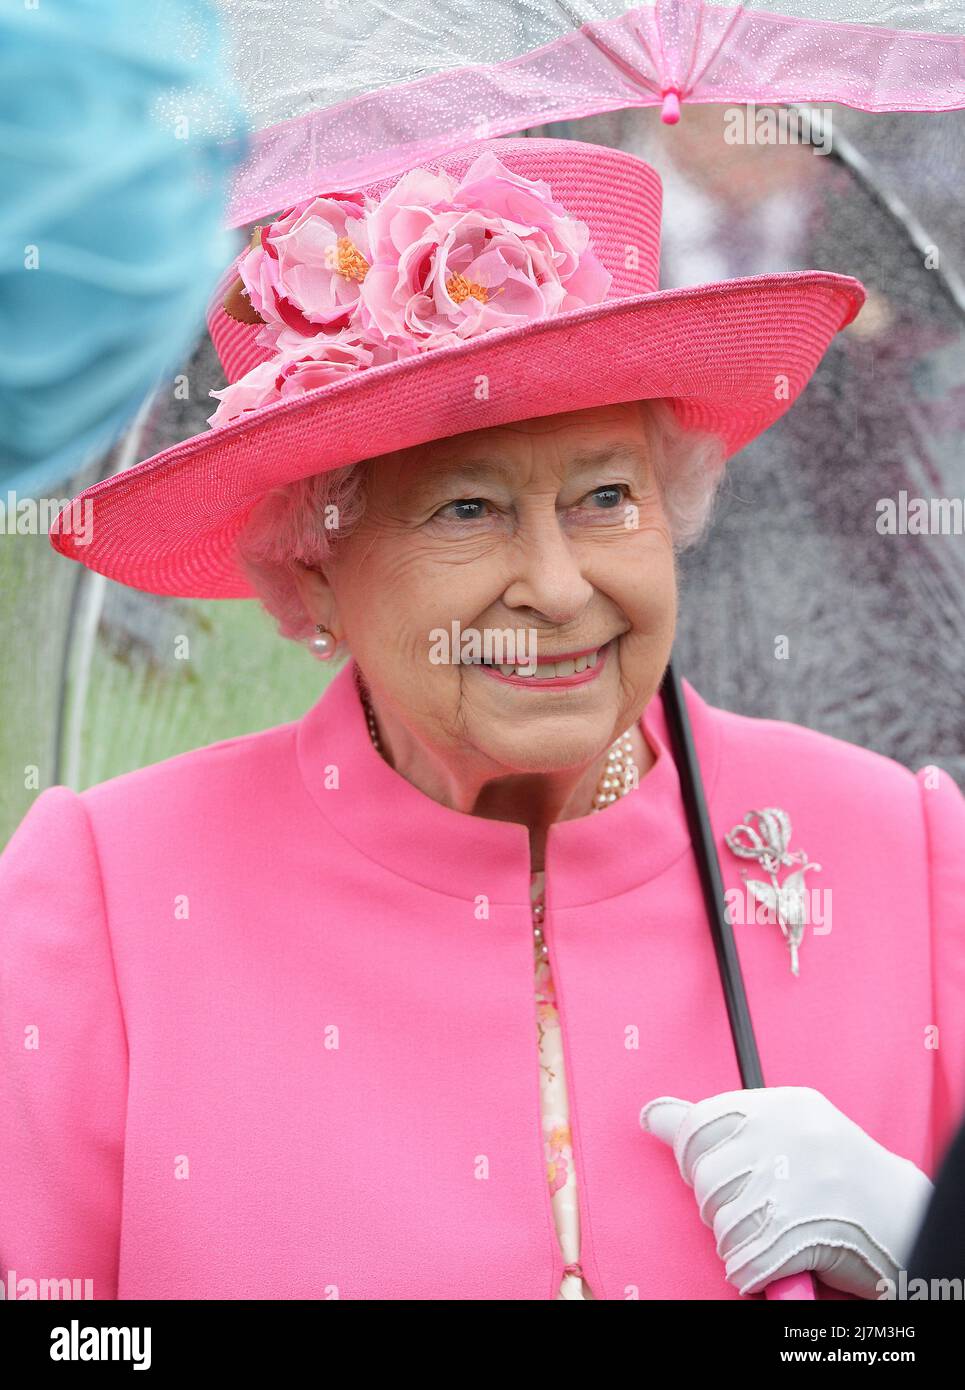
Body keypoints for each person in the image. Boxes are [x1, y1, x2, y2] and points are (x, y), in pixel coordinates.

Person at [2, 136, 962, 1301]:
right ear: (310, 568)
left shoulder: (900, 855)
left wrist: (927, 1270)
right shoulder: (106, 894)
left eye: (606, 495)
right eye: (468, 508)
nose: (557, 587)